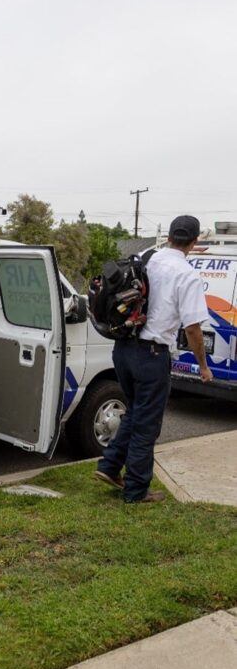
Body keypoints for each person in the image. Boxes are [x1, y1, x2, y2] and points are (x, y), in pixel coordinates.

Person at [95, 215, 212, 503]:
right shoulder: (187, 275)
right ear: (194, 242)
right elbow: (193, 328)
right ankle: (136, 490)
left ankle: (109, 466)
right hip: (151, 355)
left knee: (136, 412)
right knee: (146, 424)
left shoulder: (148, 258)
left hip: (123, 348)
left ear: (169, 236)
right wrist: (203, 365)